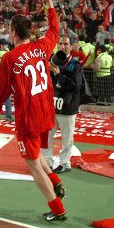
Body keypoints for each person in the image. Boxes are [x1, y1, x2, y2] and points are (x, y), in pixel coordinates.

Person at [0, 0, 67, 222]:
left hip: (28, 117)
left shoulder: (9, 58)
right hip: (46, 112)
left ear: (12, 33)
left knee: (32, 165)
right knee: (35, 152)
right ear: (29, 31)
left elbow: (0, 92)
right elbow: (55, 30)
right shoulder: (42, 46)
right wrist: (50, 1)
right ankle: (56, 181)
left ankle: (57, 208)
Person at [41, 37, 83, 174]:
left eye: (66, 44)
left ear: (71, 47)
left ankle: (65, 163)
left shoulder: (75, 65)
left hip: (67, 108)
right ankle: (47, 161)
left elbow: (75, 87)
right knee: (47, 136)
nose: (63, 46)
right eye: (60, 43)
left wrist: (58, 75)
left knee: (67, 138)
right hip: (51, 106)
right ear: (57, 46)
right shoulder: (50, 61)